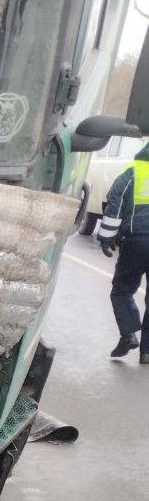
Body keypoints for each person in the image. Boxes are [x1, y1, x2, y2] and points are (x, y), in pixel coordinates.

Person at [98, 142, 149, 362]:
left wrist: (106, 238)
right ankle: (147, 353)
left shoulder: (132, 173)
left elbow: (115, 206)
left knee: (121, 291)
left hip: (135, 243)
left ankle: (128, 334)